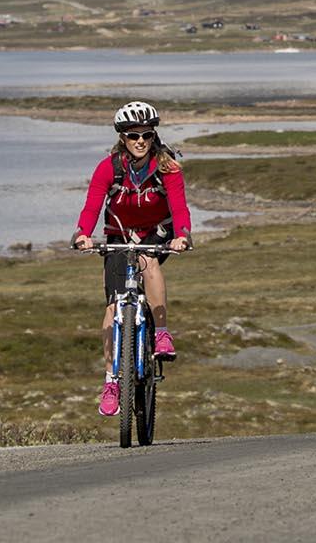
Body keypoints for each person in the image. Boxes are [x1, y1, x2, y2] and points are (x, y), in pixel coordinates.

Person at [72, 100, 192, 417]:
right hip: (118, 235)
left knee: (147, 260)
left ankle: (162, 333)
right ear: (122, 138)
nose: (140, 141)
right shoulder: (107, 168)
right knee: (113, 306)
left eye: (147, 135)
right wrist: (82, 234)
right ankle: (111, 380)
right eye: (132, 135)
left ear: (154, 137)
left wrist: (182, 235)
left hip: (156, 233)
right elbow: (92, 206)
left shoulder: (168, 167)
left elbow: (179, 208)